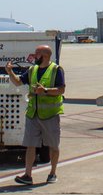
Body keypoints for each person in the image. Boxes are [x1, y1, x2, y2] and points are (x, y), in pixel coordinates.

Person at [6, 44, 65, 185]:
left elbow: (61, 90)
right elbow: (18, 82)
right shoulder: (33, 70)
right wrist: (9, 72)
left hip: (50, 114)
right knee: (30, 145)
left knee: (53, 146)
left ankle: (52, 173)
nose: (34, 56)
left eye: (36, 53)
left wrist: (45, 90)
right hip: (33, 114)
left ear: (44, 55)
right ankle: (27, 175)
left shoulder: (56, 70)